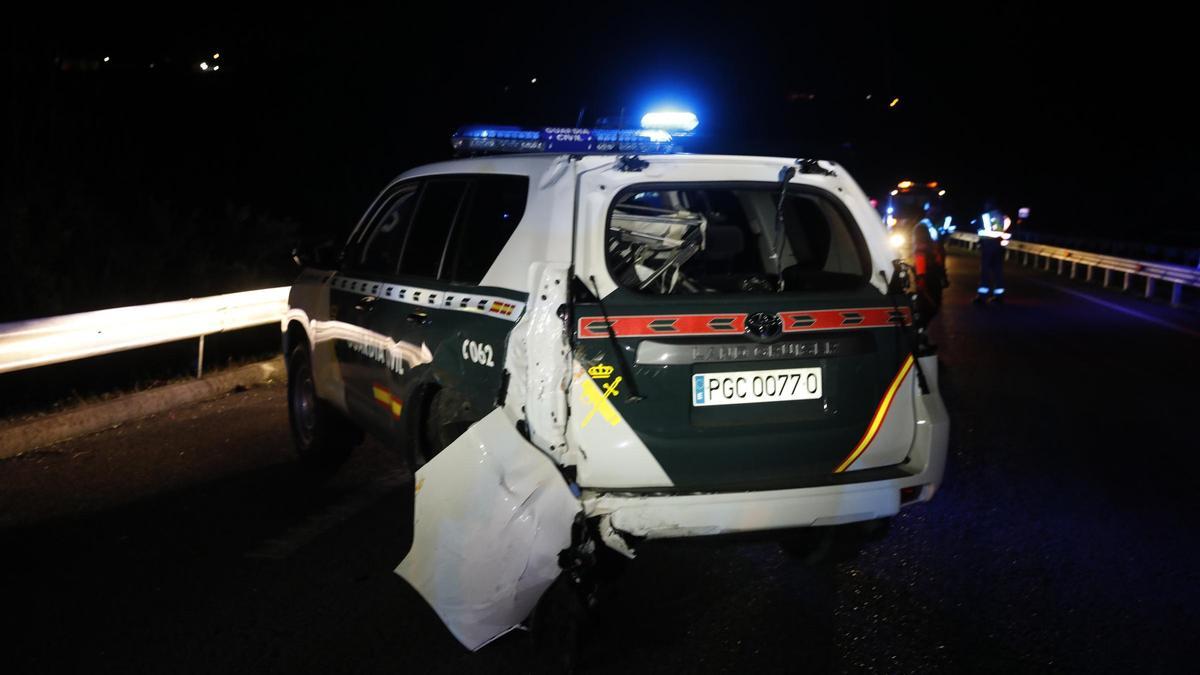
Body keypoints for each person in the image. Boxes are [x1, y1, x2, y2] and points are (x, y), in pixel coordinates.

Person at [912, 219, 948, 328]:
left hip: (926, 282)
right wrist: (944, 278)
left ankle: (921, 334)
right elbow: (941, 263)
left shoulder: (920, 249)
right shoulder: (934, 246)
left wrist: (921, 282)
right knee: (933, 308)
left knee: (924, 310)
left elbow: (920, 268)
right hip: (936, 281)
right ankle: (922, 335)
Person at [974, 207, 1011, 303]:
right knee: (998, 271)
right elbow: (1006, 232)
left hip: (988, 245)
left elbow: (984, 232)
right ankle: (999, 295)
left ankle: (982, 296)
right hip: (999, 247)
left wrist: (981, 240)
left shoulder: (986, 216)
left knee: (985, 271)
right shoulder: (1004, 216)